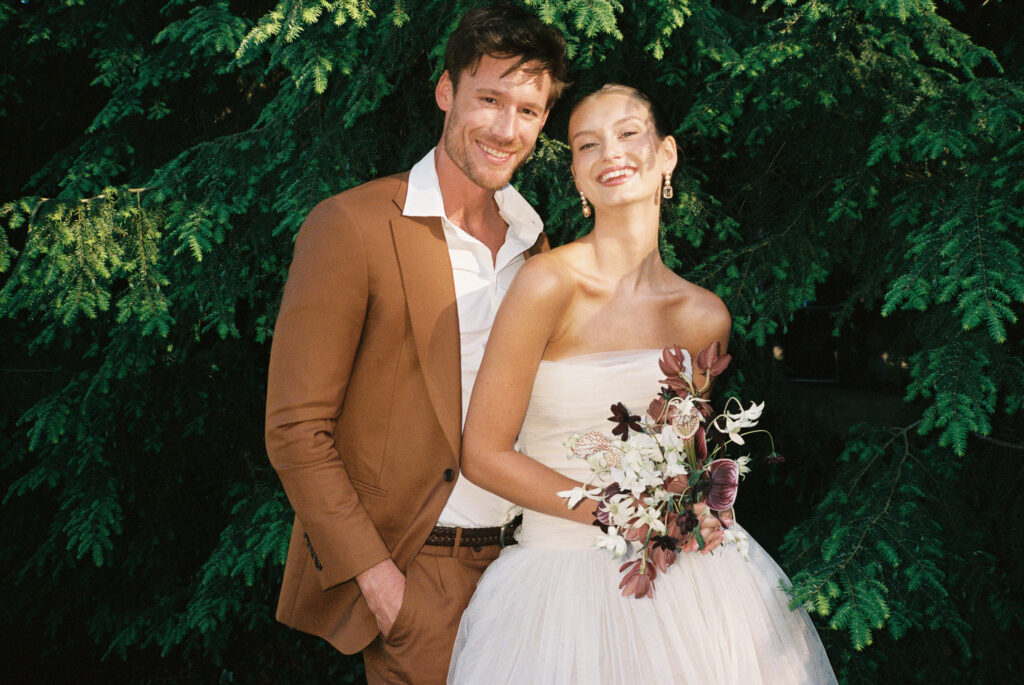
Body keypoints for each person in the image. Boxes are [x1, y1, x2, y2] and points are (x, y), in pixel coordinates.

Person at [447, 84, 838, 683]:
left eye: (628, 134)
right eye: (587, 144)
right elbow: (484, 454)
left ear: (666, 155)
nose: (611, 153)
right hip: (557, 590)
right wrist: (618, 514)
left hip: (693, 588)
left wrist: (703, 505)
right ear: (576, 174)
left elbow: (688, 454)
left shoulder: (704, 316)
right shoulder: (546, 286)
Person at [263, 5, 568, 682]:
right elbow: (295, 428)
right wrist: (380, 582)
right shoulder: (353, 224)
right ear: (446, 91)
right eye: (488, 99)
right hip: (418, 573)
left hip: (531, 570)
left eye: (528, 110)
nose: (505, 127)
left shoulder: (535, 243)